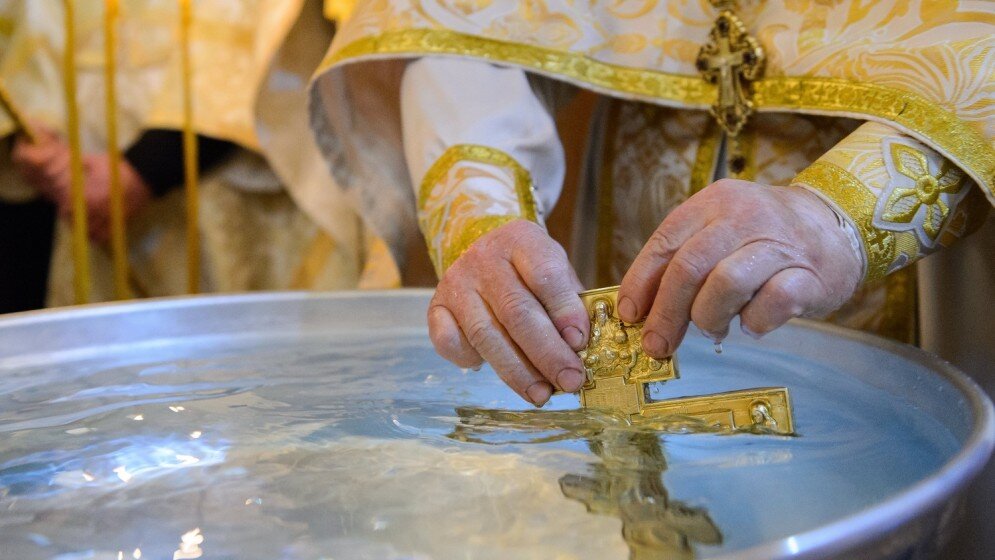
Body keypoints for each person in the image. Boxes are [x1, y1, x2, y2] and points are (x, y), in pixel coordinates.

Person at [0, 0, 394, 306]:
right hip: (81, 184)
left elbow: (244, 28)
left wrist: (146, 167)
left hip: (234, 182)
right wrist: (37, 134)